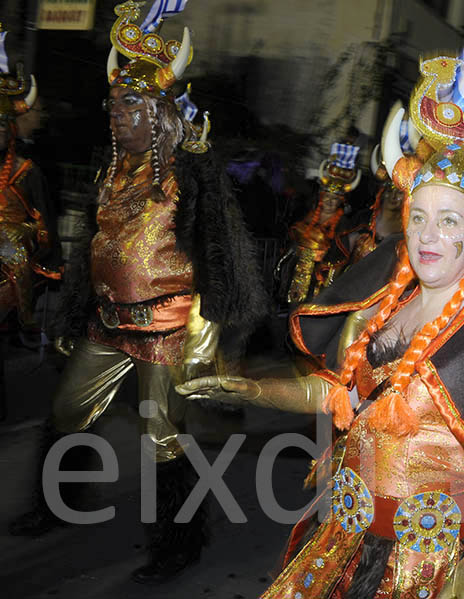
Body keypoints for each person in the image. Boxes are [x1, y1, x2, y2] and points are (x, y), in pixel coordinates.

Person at [178, 15, 464, 597]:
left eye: (449, 220)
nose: (428, 235)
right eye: (418, 217)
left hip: (426, 562)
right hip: (345, 535)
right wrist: (252, 387)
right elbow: (338, 395)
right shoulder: (375, 308)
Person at [8, 2, 266, 584]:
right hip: (107, 321)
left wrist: (208, 333)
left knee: (162, 439)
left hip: (168, 325)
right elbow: (92, 250)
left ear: (159, 113)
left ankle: (178, 544)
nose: (115, 114)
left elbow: (218, 260)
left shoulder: (190, 173)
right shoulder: (110, 170)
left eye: (129, 104)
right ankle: (56, 503)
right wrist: (78, 310)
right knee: (68, 410)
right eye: (113, 103)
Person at [0, 26, 54, 327]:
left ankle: (25, 318)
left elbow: (44, 227)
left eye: (1, 124)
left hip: (9, 258)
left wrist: (22, 230)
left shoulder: (26, 170)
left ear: (10, 128)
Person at [284, 142, 362, 304]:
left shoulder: (343, 225)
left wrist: (325, 270)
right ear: (321, 198)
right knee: (292, 306)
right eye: (327, 197)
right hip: (298, 271)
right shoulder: (308, 216)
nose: (330, 202)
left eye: (335, 199)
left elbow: (341, 254)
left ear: (340, 202)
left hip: (320, 278)